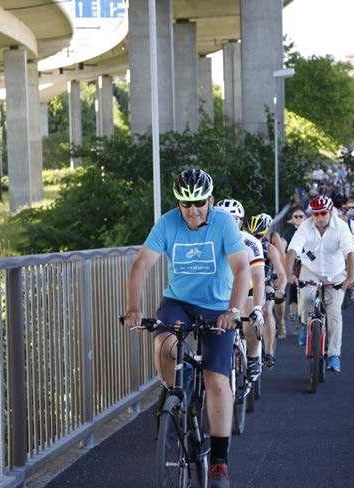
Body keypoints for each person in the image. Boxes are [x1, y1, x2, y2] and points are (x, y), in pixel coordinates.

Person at [124, 168, 249, 487]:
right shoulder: (167, 223)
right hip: (178, 301)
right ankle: (179, 395)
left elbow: (241, 268)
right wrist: (134, 308)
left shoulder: (223, 223)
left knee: (217, 378)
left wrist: (233, 311)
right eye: (185, 204)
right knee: (162, 343)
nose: (192, 211)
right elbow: (141, 265)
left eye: (198, 203)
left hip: (216, 306)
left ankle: (220, 461)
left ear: (211, 199)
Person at [285, 195, 354, 373]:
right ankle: (304, 324)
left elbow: (350, 254)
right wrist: (288, 274)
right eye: (315, 214)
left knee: (334, 315)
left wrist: (350, 278)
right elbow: (292, 250)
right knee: (306, 298)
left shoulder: (341, 227)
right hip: (311, 270)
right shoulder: (305, 226)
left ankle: (334, 355)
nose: (319, 217)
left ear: (330, 211)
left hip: (336, 273)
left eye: (323, 213)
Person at [215, 199, 266, 380]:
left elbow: (259, 279)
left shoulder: (250, 242)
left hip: (247, 291)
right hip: (220, 293)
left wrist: (258, 309)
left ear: (241, 223)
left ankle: (253, 357)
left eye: (233, 220)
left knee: (250, 322)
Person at [247, 213, 288, 367]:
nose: (255, 239)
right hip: (247, 283)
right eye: (252, 235)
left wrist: (281, 289)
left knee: (266, 311)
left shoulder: (270, 248)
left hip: (265, 283)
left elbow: (282, 274)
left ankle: (269, 352)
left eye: (258, 235)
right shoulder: (243, 245)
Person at [282, 208, 306, 324]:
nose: (298, 218)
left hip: (309, 263)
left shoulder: (310, 230)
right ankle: (293, 312)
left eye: (301, 216)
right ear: (292, 219)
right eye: (296, 216)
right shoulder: (289, 231)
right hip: (295, 262)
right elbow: (282, 245)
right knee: (293, 284)